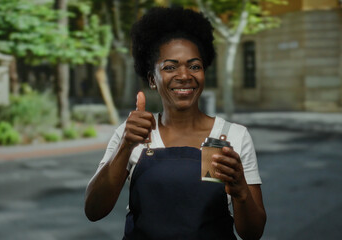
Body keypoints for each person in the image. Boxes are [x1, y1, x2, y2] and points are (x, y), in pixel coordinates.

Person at [85, 7, 266, 240]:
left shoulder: (232, 136)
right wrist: (125, 146)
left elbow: (253, 233)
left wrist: (241, 192)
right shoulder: (134, 134)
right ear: (152, 79)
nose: (184, 75)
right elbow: (93, 210)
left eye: (194, 66)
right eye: (170, 67)